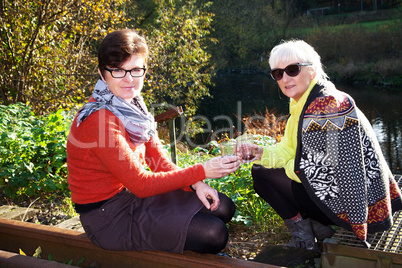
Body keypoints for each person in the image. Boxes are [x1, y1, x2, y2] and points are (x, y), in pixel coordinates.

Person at [66, 29, 240, 254]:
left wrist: (196, 183)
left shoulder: (134, 106)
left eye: (136, 70)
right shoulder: (99, 119)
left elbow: (158, 161)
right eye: (118, 70)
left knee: (223, 207)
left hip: (134, 198)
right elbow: (141, 183)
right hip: (108, 218)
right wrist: (202, 170)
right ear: (102, 73)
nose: (130, 79)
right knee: (213, 234)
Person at [241, 39, 402, 251]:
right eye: (278, 73)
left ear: (313, 70)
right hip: (342, 195)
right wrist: (260, 152)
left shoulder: (325, 107)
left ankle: (308, 238)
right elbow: (289, 151)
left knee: (263, 175)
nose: (285, 78)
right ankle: (316, 232)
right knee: (261, 169)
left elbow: (315, 172)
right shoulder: (302, 103)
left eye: (292, 69)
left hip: (352, 206)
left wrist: (285, 165)